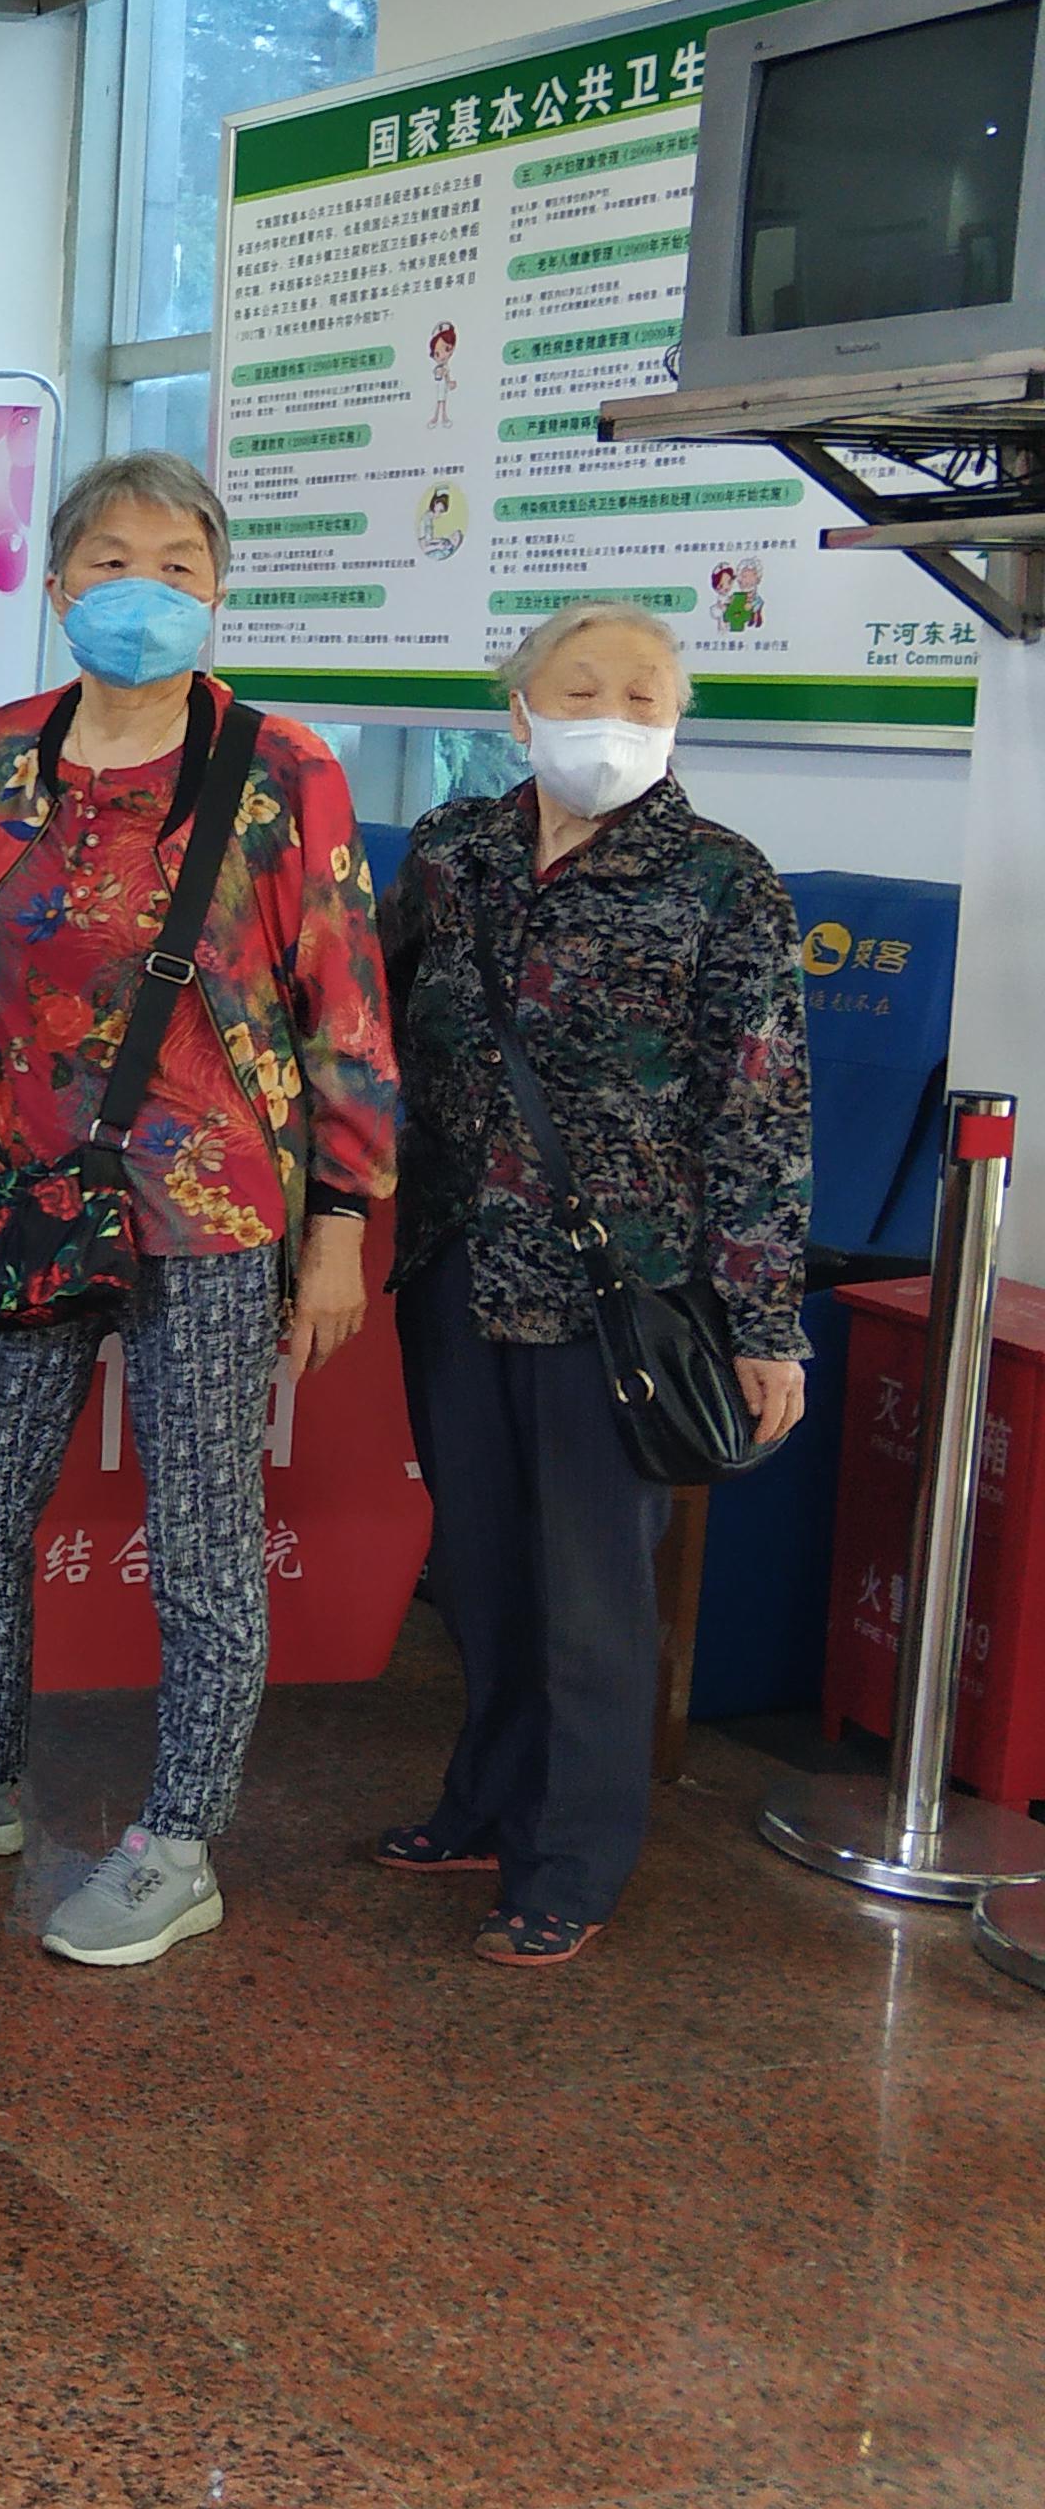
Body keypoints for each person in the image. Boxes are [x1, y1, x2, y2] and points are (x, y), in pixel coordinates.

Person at [0, 451, 397, 1968]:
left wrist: (341, 1223)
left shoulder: (279, 767)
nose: (146, 589)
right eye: (113, 560)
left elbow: (344, 1003)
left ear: (219, 589)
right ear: (60, 580)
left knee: (200, 1533)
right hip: (21, 1189)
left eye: (181, 565)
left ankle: (178, 1842)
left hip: (208, 1202)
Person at [377, 602, 810, 1965]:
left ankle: (573, 1856)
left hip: (619, 1294)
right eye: (582, 690)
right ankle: (486, 1801)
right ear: (519, 709)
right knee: (479, 1567)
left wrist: (764, 1322)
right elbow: (373, 1026)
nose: (613, 718)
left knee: (591, 1591)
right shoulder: (453, 852)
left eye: (644, 695)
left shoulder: (725, 882)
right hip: (457, 1261)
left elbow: (761, 1113)